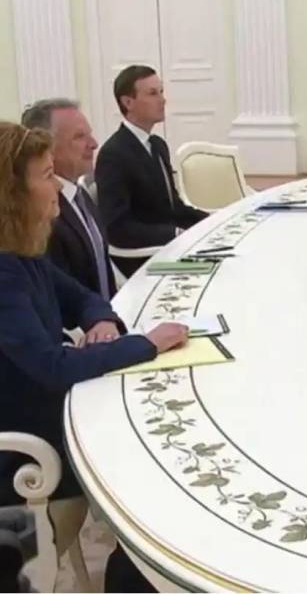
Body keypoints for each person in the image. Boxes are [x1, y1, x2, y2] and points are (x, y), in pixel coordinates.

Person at [0, 122, 188, 591]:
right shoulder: (3, 272)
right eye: (47, 176)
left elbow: (81, 296)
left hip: (51, 415)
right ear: (11, 194)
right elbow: (52, 366)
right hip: (25, 456)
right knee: (151, 462)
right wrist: (146, 343)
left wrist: (101, 320)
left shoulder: (21, 250)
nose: (58, 188)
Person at [95, 65, 207, 277]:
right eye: (153, 93)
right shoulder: (113, 154)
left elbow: (174, 207)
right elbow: (117, 227)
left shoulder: (157, 145)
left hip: (171, 247)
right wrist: (175, 233)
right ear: (128, 102)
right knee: (218, 272)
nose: (162, 100)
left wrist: (212, 221)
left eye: (161, 92)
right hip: (145, 260)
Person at [20, 99, 116, 299]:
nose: (94, 144)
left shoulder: (81, 195)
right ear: (47, 148)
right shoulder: (43, 211)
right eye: (79, 137)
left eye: (89, 134)